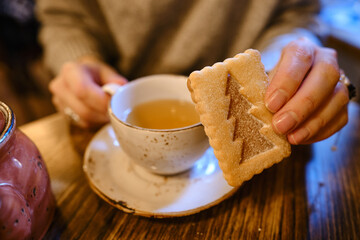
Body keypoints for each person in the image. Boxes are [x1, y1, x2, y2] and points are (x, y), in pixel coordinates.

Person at [36, 0, 351, 145]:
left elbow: (298, 11)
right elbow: (64, 15)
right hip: (116, 101)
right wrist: (78, 59)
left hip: (253, 106)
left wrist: (285, 60)